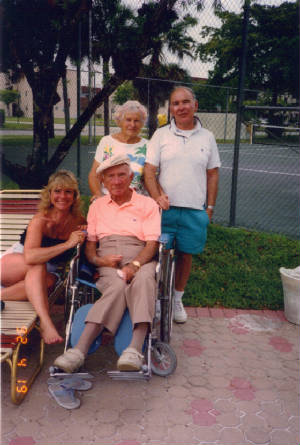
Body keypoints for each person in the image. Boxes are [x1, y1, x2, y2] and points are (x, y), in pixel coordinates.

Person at [53, 154, 161, 373]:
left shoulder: (147, 204)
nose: (117, 181)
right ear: (102, 181)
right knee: (118, 285)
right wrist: (99, 260)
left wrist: (135, 265)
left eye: (122, 175)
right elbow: (91, 247)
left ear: (130, 177)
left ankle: (134, 348)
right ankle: (79, 351)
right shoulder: (98, 206)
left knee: (145, 280)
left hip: (141, 255)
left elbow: (152, 245)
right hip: (108, 258)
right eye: (110, 176)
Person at [144, 86, 221, 324]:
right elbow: (149, 171)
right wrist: (157, 196)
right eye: (176, 103)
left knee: (186, 256)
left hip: (195, 211)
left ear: (195, 105)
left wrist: (209, 208)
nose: (181, 107)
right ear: (171, 109)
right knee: (159, 255)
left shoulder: (207, 137)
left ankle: (177, 299)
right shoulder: (160, 135)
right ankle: (157, 300)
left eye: (185, 102)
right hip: (163, 211)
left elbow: (213, 174)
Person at [0, 170, 86, 344]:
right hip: (15, 262)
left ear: (75, 196)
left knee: (47, 282)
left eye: (68, 191)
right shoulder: (40, 219)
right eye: (57, 191)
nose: (62, 196)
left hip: (39, 274)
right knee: (39, 264)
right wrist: (67, 244)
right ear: (50, 194)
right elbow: (31, 257)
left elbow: (87, 250)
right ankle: (46, 323)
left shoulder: (79, 222)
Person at [88, 100, 148, 200]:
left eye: (137, 121)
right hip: (108, 199)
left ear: (142, 123)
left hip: (136, 202)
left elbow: (148, 178)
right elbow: (94, 175)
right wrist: (99, 196)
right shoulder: (106, 142)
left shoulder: (147, 145)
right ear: (120, 121)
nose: (132, 125)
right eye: (128, 120)